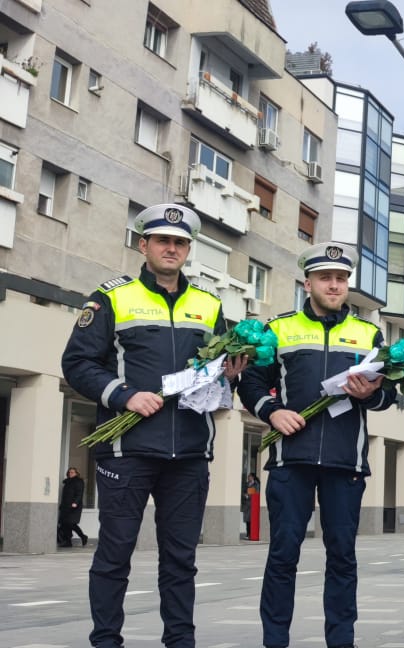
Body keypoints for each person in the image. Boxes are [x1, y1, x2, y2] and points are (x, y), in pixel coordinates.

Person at [61, 203, 246, 648]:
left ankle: (180, 641)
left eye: (180, 242)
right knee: (114, 555)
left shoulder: (210, 304)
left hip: (189, 454)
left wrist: (229, 376)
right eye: (162, 240)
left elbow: (213, 378)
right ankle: (106, 641)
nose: (171, 248)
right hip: (126, 450)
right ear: (143, 244)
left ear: (188, 250)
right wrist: (124, 394)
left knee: (181, 560)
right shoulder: (110, 297)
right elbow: (77, 363)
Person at [238, 242, 396, 648]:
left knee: (342, 557)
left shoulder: (368, 333)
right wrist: (272, 411)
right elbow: (251, 382)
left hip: (346, 463)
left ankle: (341, 641)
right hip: (291, 460)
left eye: (341, 279)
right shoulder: (280, 328)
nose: (334, 285)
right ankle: (275, 640)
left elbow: (387, 396)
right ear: (307, 282)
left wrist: (368, 395)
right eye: (326, 277)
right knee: (282, 556)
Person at [58, 467, 88, 547]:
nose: (70, 473)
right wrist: (62, 505)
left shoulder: (78, 481)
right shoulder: (67, 482)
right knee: (65, 524)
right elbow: (65, 496)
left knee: (71, 523)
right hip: (65, 506)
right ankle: (68, 542)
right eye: (69, 472)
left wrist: (75, 503)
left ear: (76, 473)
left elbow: (79, 493)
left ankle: (83, 536)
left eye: (72, 472)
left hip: (74, 506)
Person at [243, 472, 260, 541]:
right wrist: (245, 495)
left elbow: (256, 493)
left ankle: (251, 534)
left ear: (252, 477)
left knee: (251, 520)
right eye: (248, 476)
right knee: (247, 520)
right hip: (247, 504)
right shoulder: (247, 484)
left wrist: (249, 495)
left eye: (249, 476)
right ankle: (248, 534)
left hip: (253, 504)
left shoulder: (256, 484)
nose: (248, 478)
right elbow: (243, 491)